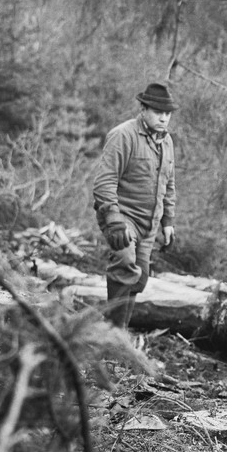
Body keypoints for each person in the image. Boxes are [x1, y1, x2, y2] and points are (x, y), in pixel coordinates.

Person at [92, 81, 178, 329]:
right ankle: (113, 335)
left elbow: (168, 184)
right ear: (143, 109)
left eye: (167, 113)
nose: (164, 118)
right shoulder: (123, 135)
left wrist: (168, 222)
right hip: (123, 216)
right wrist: (113, 219)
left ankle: (117, 330)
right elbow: (104, 181)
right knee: (125, 267)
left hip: (149, 223)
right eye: (158, 112)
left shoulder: (166, 142)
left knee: (139, 279)